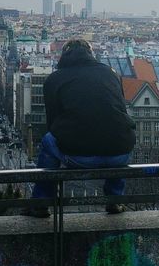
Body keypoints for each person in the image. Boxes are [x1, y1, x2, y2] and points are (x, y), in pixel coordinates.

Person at [31, 39, 136, 216]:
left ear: (63, 56)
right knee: (117, 132)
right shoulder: (111, 74)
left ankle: (41, 202)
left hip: (79, 156)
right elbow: (120, 111)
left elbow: (52, 122)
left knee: (48, 140)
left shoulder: (54, 79)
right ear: (91, 54)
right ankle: (115, 199)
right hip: (119, 154)